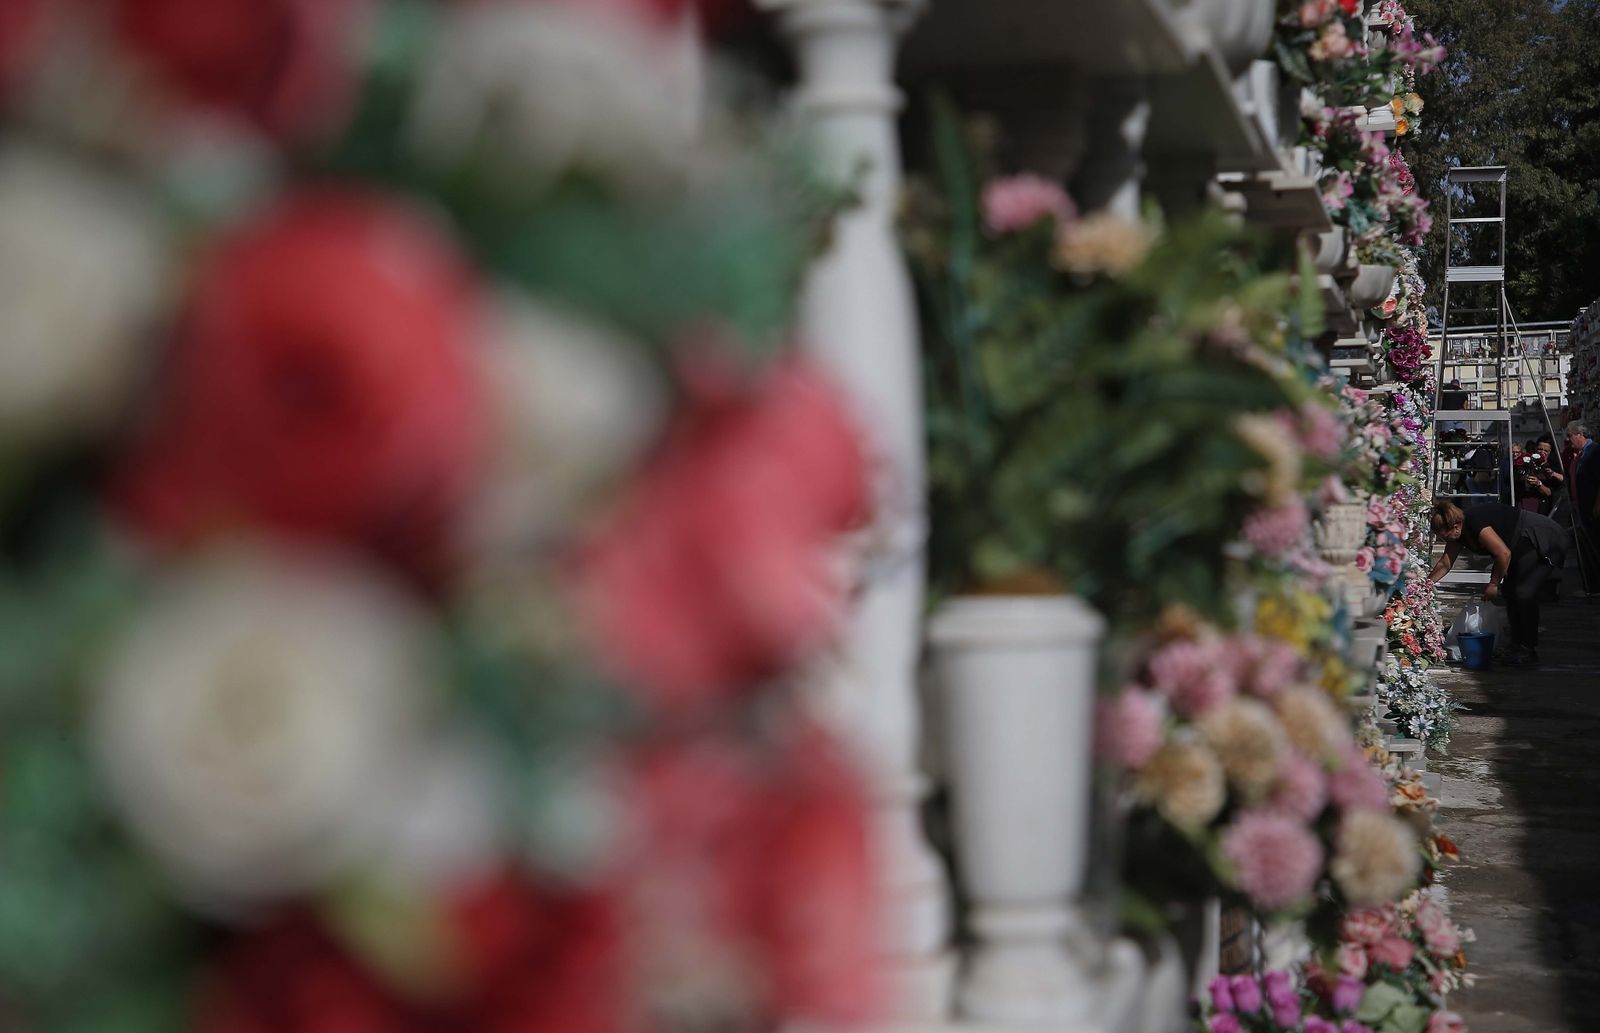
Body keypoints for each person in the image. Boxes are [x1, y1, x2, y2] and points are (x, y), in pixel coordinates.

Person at [1428, 500, 1566, 665]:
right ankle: (1517, 645)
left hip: (1541, 538)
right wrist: (1425, 586)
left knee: (1523, 593)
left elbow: (1503, 553)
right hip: (1518, 546)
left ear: (1455, 527)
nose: (1445, 540)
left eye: (1445, 536)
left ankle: (1528, 648)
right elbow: (1445, 563)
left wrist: (1493, 584)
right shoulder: (1458, 535)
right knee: (1510, 592)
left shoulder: (1475, 521)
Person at [1566, 420, 1600, 593]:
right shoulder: (1580, 454)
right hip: (1581, 507)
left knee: (1594, 545)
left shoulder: (1594, 452)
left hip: (1592, 509)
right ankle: (1591, 585)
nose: (1568, 439)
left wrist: (1597, 504)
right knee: (1586, 547)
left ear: (1580, 434)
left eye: (1570, 435)